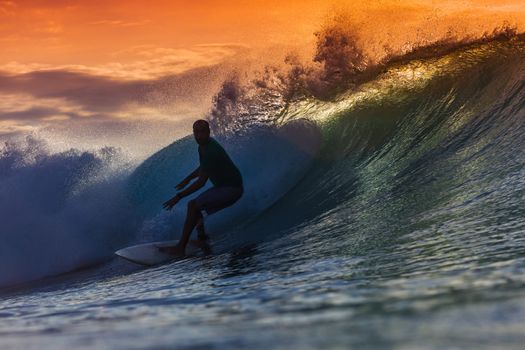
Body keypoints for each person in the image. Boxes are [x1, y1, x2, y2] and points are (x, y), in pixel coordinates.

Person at [161, 119, 243, 255]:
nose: (199, 136)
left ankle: (180, 248)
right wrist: (187, 179)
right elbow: (204, 167)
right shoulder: (203, 147)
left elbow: (201, 182)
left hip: (231, 189)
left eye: (202, 132)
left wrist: (178, 196)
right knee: (197, 209)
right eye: (196, 132)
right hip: (224, 188)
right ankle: (202, 239)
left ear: (208, 132)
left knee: (193, 206)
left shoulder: (211, 150)